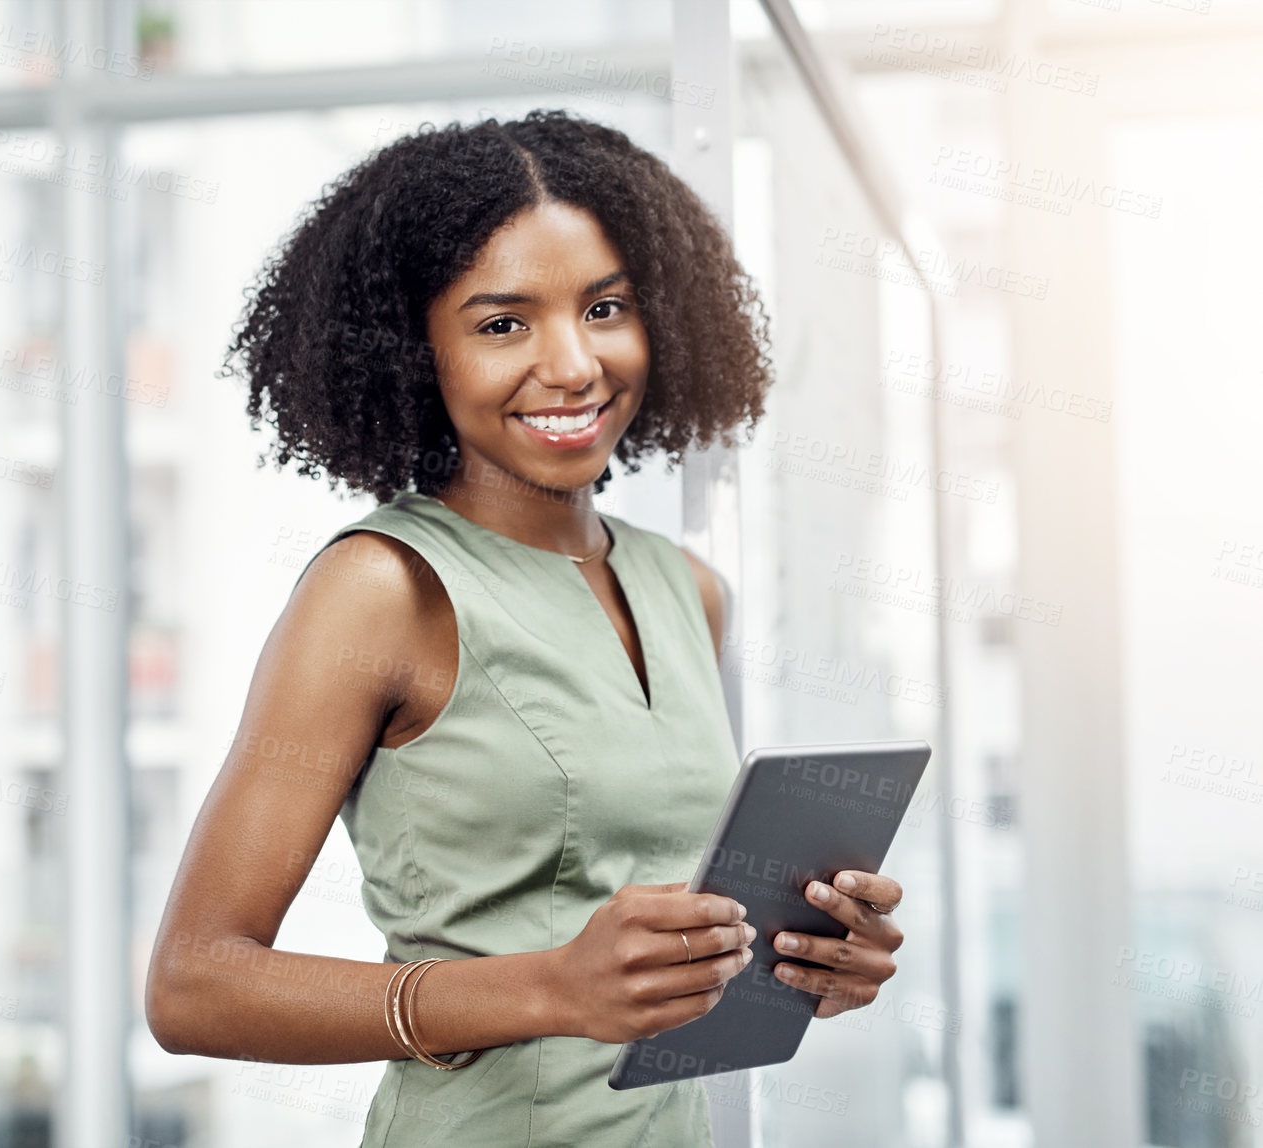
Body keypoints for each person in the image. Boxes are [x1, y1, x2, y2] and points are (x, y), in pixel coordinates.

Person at [145, 108, 907, 1147]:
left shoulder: (687, 588)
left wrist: (804, 960)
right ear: (418, 353)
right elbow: (194, 985)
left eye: (605, 307)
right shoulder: (381, 588)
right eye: (503, 323)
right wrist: (548, 987)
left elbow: (652, 960)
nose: (574, 365)